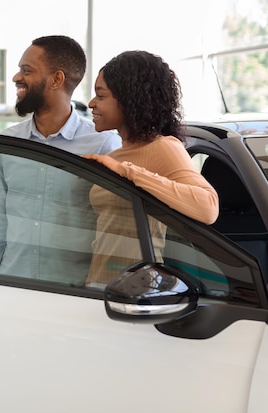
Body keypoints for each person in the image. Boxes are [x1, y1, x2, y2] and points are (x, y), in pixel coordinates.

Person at [0, 35, 121, 284]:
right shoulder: (6, 143)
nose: (16, 77)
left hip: (75, 294)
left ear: (56, 79)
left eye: (26, 70)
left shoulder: (103, 144)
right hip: (13, 288)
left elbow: (114, 231)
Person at [84, 50, 219, 287]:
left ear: (129, 98)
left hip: (138, 288)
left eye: (100, 95)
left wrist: (127, 172)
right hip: (99, 283)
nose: (91, 103)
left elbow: (207, 207)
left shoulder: (163, 147)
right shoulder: (114, 155)